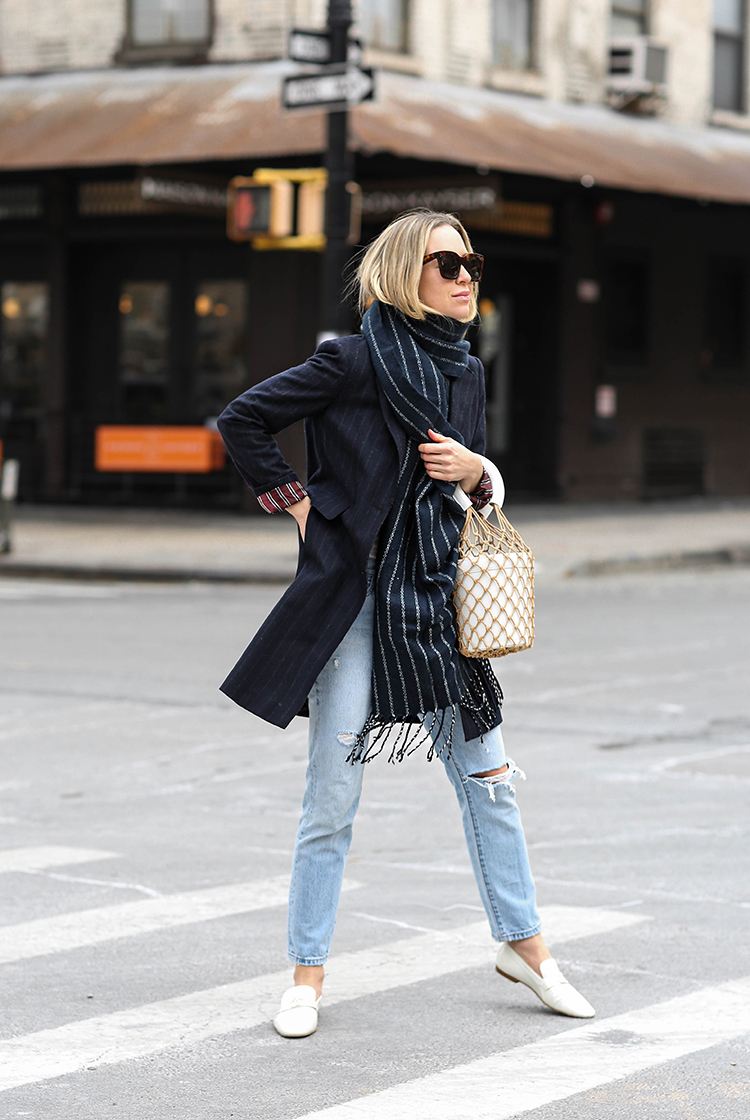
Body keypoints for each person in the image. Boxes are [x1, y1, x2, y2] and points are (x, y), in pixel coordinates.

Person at [217, 209, 595, 1038]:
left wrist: (478, 468)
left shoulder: (465, 371)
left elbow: (471, 490)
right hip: (355, 608)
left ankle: (526, 949)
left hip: (436, 606)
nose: (466, 278)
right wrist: (302, 509)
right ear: (402, 273)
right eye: (447, 263)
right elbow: (243, 418)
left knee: (491, 786)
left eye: (473, 264)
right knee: (334, 793)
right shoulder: (349, 362)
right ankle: (307, 975)